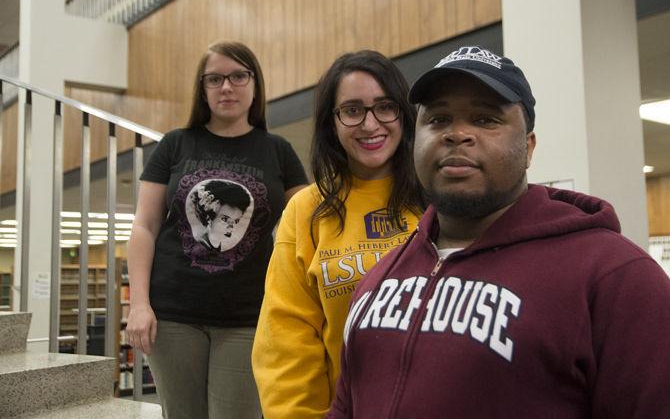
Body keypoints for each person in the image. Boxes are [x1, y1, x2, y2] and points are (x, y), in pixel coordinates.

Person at [327, 46, 670, 418]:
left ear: (528, 147)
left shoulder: (616, 278)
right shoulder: (380, 279)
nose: (457, 134)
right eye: (438, 119)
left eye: (486, 119)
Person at [126, 40, 308, 419]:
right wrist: (139, 304)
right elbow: (144, 226)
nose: (227, 87)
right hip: (173, 314)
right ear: (203, 88)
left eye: (239, 76)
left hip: (248, 316)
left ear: (255, 84)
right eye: (215, 79)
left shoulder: (278, 151)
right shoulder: (175, 145)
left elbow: (308, 222)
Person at [252, 50, 424, 418]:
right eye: (352, 110)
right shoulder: (306, 210)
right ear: (332, 123)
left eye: (384, 106)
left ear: (404, 113)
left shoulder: (438, 201)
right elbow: (286, 338)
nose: (370, 123)